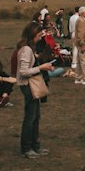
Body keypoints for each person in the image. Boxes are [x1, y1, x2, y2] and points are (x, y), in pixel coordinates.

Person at [14, 21, 61, 159]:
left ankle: (35, 145)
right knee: (30, 117)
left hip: (31, 85)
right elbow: (23, 71)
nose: (41, 37)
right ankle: (27, 148)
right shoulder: (26, 50)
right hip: (28, 86)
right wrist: (41, 68)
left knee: (35, 117)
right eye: (39, 35)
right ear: (33, 34)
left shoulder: (29, 48)